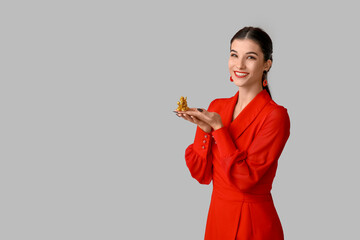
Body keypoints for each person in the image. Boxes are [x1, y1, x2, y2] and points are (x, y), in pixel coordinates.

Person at [175, 27, 290, 240]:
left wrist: (219, 130)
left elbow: (246, 180)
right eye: (234, 55)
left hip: (252, 223)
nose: (239, 65)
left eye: (251, 57)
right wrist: (204, 129)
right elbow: (201, 174)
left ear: (267, 64)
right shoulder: (217, 107)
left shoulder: (275, 116)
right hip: (218, 218)